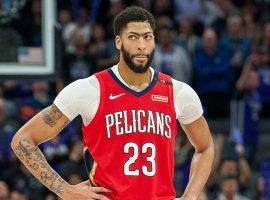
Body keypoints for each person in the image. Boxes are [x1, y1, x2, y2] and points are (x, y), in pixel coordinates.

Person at [11, 6, 214, 200]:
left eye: (147, 37)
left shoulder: (178, 92)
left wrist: (191, 195)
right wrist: (63, 190)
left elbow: (205, 147)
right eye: (133, 37)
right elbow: (22, 140)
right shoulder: (89, 90)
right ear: (118, 41)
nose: (141, 45)